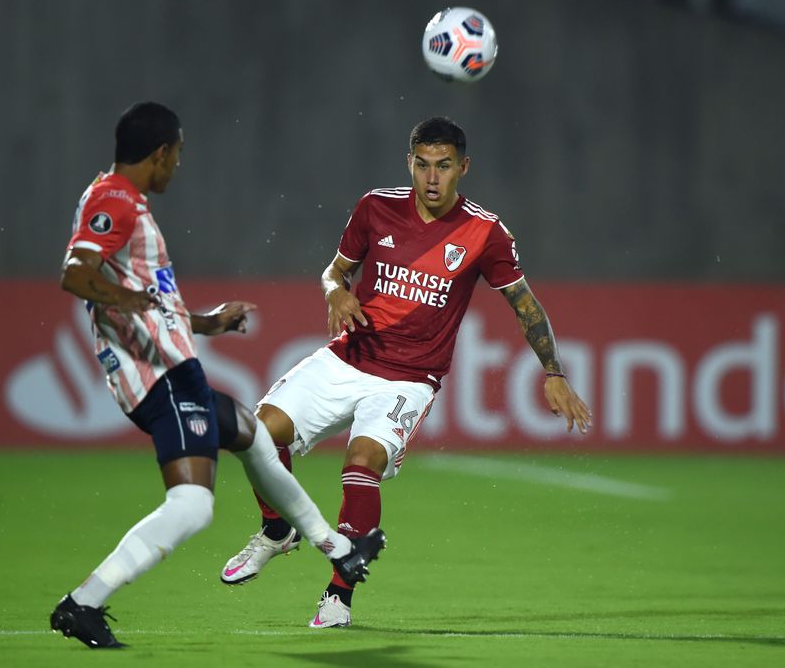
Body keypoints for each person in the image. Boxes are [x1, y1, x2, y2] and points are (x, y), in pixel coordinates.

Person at [219, 116, 592, 628]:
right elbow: (334, 271)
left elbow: (523, 303)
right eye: (422, 165)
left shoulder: (485, 232)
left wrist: (553, 372)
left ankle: (338, 595)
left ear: (464, 167)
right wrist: (335, 292)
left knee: (362, 463)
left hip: (409, 378)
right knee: (258, 433)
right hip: (348, 356)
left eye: (444, 166)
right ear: (409, 163)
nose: (432, 178)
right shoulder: (375, 207)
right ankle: (277, 529)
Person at [49, 101, 385, 650]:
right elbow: (75, 273)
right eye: (177, 154)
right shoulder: (114, 199)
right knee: (192, 506)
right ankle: (82, 604)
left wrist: (205, 322)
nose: (178, 165)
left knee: (252, 436)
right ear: (160, 153)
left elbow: (149, 299)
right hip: (156, 376)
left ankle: (339, 549)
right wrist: (131, 302)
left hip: (175, 367)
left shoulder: (124, 201)